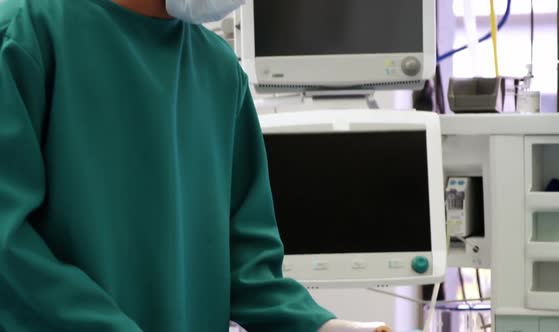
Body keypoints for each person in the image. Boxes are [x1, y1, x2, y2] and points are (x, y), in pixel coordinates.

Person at [0, 0, 393, 331]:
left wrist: (320, 326)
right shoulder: (26, 34)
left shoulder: (219, 71)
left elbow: (247, 266)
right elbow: (8, 248)